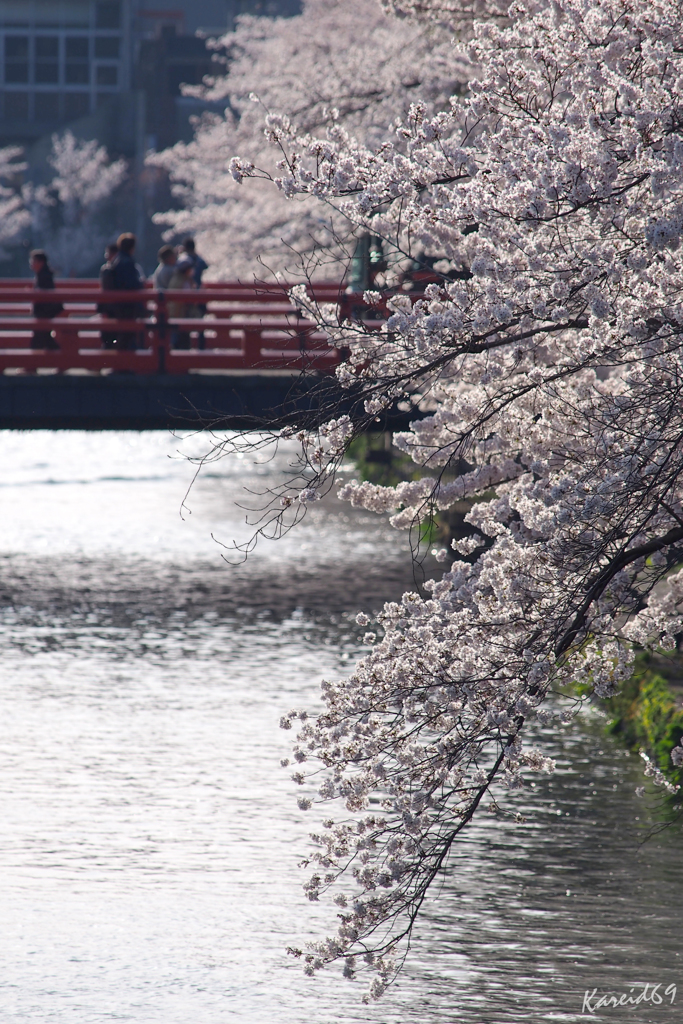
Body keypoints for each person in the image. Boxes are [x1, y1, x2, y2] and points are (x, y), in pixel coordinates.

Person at [110, 233, 145, 350]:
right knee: (128, 334)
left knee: (123, 333)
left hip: (118, 303)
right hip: (127, 303)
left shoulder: (117, 259)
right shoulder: (127, 262)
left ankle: (121, 363)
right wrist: (140, 284)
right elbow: (131, 284)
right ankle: (125, 363)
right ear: (132, 248)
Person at [30, 250, 62, 350]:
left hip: (43, 314)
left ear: (40, 262)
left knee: (40, 340)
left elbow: (45, 296)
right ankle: (62, 363)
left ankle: (31, 364)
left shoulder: (44, 276)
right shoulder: (44, 274)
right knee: (45, 339)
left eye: (33, 261)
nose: (31, 264)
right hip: (45, 314)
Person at [166, 256, 198, 350]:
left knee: (175, 339)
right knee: (183, 341)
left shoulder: (175, 279)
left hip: (173, 314)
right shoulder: (184, 282)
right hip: (181, 314)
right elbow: (189, 299)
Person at [181, 237, 208, 348]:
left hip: (187, 293)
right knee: (200, 321)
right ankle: (201, 346)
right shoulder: (199, 260)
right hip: (199, 293)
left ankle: (185, 346)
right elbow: (206, 266)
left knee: (185, 321)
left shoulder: (183, 260)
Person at [98, 242, 118, 349]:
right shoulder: (108, 269)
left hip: (109, 306)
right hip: (115, 306)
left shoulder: (108, 270)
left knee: (108, 334)